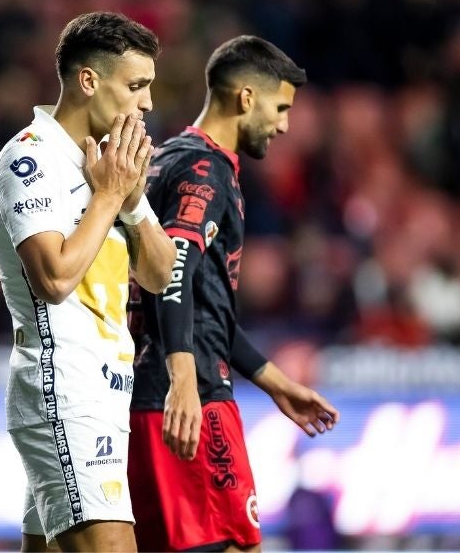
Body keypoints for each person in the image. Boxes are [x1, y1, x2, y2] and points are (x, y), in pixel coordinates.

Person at [127, 35, 340, 552]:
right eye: (280, 107)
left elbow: (203, 302)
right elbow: (172, 272)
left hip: (145, 391)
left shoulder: (167, 159)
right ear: (246, 98)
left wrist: (274, 382)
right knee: (236, 545)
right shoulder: (207, 169)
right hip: (189, 395)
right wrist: (184, 381)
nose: (285, 124)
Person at [0, 12, 176, 553]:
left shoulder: (108, 167)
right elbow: (53, 277)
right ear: (88, 81)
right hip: (64, 390)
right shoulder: (29, 158)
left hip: (103, 394)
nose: (147, 104)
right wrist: (111, 197)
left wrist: (133, 200)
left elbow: (160, 274)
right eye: (137, 86)